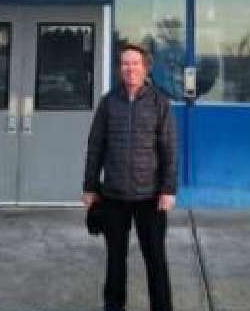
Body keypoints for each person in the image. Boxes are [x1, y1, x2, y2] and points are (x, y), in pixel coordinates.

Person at [82, 43, 178, 311]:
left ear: (146, 68)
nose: (130, 69)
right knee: (115, 260)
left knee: (156, 260)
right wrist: (90, 187)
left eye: (135, 63)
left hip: (150, 196)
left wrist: (168, 190)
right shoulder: (108, 102)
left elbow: (169, 150)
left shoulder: (160, 102)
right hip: (113, 195)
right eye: (125, 64)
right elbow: (95, 147)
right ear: (119, 69)